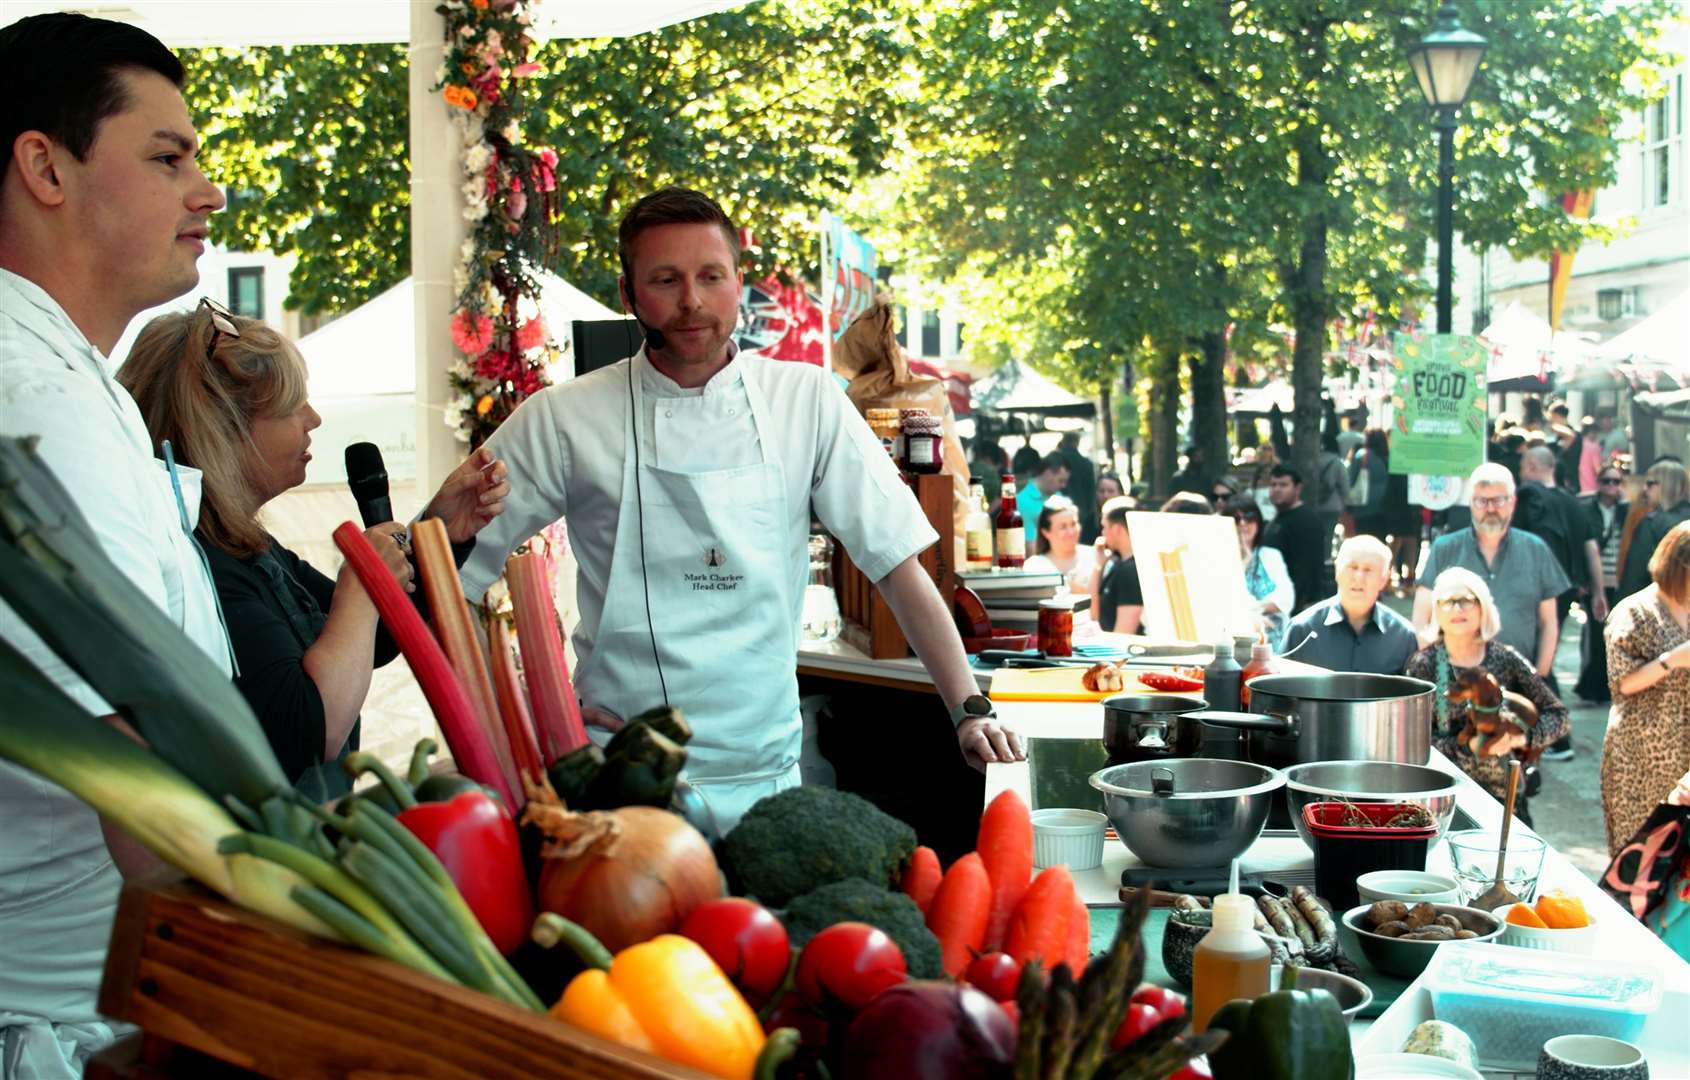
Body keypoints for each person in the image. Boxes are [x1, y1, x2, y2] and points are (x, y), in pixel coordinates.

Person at [457, 187, 1021, 832]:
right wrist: (530, 713)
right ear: (628, 294)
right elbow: (454, 568)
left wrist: (969, 707)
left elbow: (895, 562)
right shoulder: (563, 418)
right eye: (665, 280)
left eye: (709, 277)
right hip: (617, 779)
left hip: (763, 773)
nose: (691, 301)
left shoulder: (804, 398)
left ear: (738, 284)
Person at [0, 14, 234, 1070]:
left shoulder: (64, 370)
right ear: (45, 167)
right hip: (69, 1030)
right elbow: (137, 782)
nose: (209, 191)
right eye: (168, 158)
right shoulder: (36, 395)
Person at [118, 308, 511, 799]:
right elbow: (307, 729)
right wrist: (361, 589)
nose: (314, 420)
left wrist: (441, 533)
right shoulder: (206, 567)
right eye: (291, 408)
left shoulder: (248, 546)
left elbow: (370, 638)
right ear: (225, 431)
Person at [1404, 569, 1569, 825]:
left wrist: (1522, 738)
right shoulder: (1423, 664)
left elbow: (1558, 715)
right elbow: (1412, 744)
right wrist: (1465, 748)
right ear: (1436, 610)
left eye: (1466, 600)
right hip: (1443, 797)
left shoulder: (1506, 658)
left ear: (1483, 608)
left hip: (1506, 800)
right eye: (1448, 601)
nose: (1457, 608)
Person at [1413, 463, 1570, 685]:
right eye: (1481, 501)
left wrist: (1539, 676)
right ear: (1470, 503)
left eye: (1498, 500)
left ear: (1513, 502)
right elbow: (1421, 619)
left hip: (1520, 683)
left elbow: (1549, 623)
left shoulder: (1536, 550)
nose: (1490, 509)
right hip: (1457, 684)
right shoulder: (1444, 549)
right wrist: (1436, 670)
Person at [1601, 522, 1690, 857]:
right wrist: (1673, 660)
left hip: (1686, 761)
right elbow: (1622, 684)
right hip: (1640, 758)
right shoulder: (1634, 611)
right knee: (1638, 859)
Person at [1282, 535, 1419, 675]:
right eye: (1352, 567)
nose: (1358, 577)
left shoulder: (1403, 637)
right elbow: (1278, 691)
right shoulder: (1302, 630)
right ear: (1337, 570)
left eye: (1368, 570)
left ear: (1384, 579)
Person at [1574, 464, 1630, 704]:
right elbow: (1582, 547)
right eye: (1607, 481)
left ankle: (1609, 686)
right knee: (1596, 635)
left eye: (1616, 482)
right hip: (1596, 581)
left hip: (1619, 581)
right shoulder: (1587, 509)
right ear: (1598, 483)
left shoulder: (1625, 511)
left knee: (1617, 635)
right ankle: (1593, 687)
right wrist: (1583, 580)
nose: (1611, 486)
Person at [1219, 497, 1294, 650]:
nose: (1242, 524)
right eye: (1236, 519)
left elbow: (1285, 599)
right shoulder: (1218, 560)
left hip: (1273, 644)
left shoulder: (1270, 555)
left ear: (1258, 522)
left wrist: (1250, 610)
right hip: (1230, 646)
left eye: (1249, 518)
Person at [1617, 459, 1690, 602]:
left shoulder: (1652, 523)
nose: (1644, 489)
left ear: (1666, 485)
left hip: (1663, 606)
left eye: (1650, 483)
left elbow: (1634, 577)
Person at [1261, 464, 1323, 616]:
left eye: (1283, 485)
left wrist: (1298, 606)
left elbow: (1307, 568)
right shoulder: (1277, 517)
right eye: (1273, 484)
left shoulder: (1306, 520)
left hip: (1296, 607)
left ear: (1297, 488)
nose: (1277, 489)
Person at [1024, 495, 1100, 595]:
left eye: (1073, 524)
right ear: (1046, 532)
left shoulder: (1095, 557)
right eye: (1063, 527)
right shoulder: (1035, 566)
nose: (1071, 532)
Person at [1090, 496, 1142, 634]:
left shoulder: (1131, 571)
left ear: (1117, 529)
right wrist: (1098, 566)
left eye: (1104, 527)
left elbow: (1124, 633)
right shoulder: (1115, 564)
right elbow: (1095, 616)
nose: (1102, 533)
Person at [1016, 452, 1070, 544]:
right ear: (1048, 474)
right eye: (1061, 480)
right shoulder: (1022, 501)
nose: (1064, 485)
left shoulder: (1058, 496)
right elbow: (1030, 544)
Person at [1349, 429, 1391, 539]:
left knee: (1363, 541)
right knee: (1380, 541)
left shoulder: (1362, 455)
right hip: (1385, 507)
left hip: (1363, 506)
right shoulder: (1389, 458)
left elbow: (1351, 479)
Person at [1057, 431, 1097, 542]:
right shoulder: (1087, 463)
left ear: (1064, 442)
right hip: (1083, 510)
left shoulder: (1057, 461)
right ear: (1077, 442)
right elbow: (1091, 489)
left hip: (1060, 508)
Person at [1088, 471, 1123, 544]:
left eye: (1111, 491)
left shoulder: (1127, 520)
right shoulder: (1090, 520)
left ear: (1120, 493)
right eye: (1101, 491)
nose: (1105, 495)